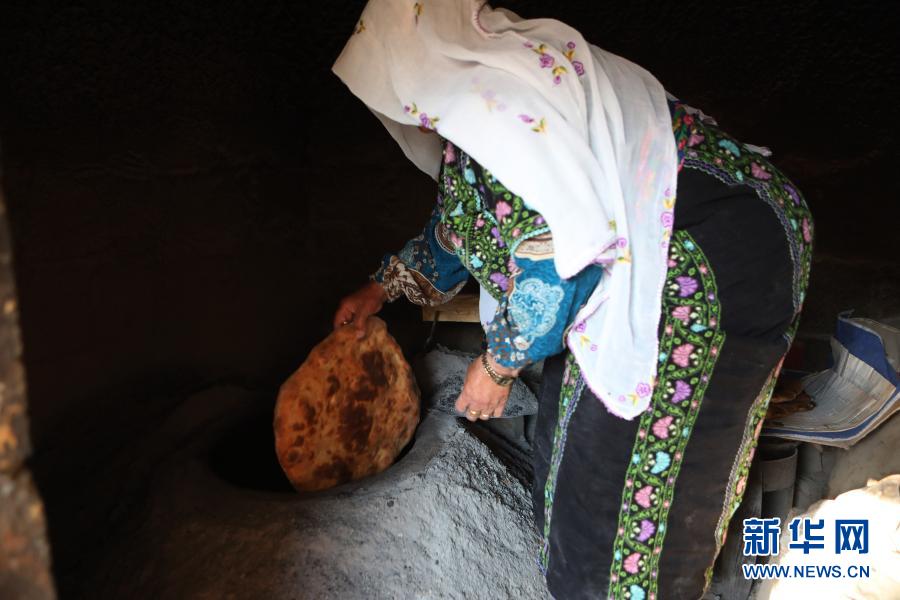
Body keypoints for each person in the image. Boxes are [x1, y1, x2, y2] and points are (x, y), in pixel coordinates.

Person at [331, 1, 813, 598]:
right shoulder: (474, 124)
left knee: (630, 472)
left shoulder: (506, 102)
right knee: (567, 450)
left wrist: (497, 365)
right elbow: (466, 223)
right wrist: (380, 288)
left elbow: (562, 252)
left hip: (706, 252)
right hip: (642, 258)